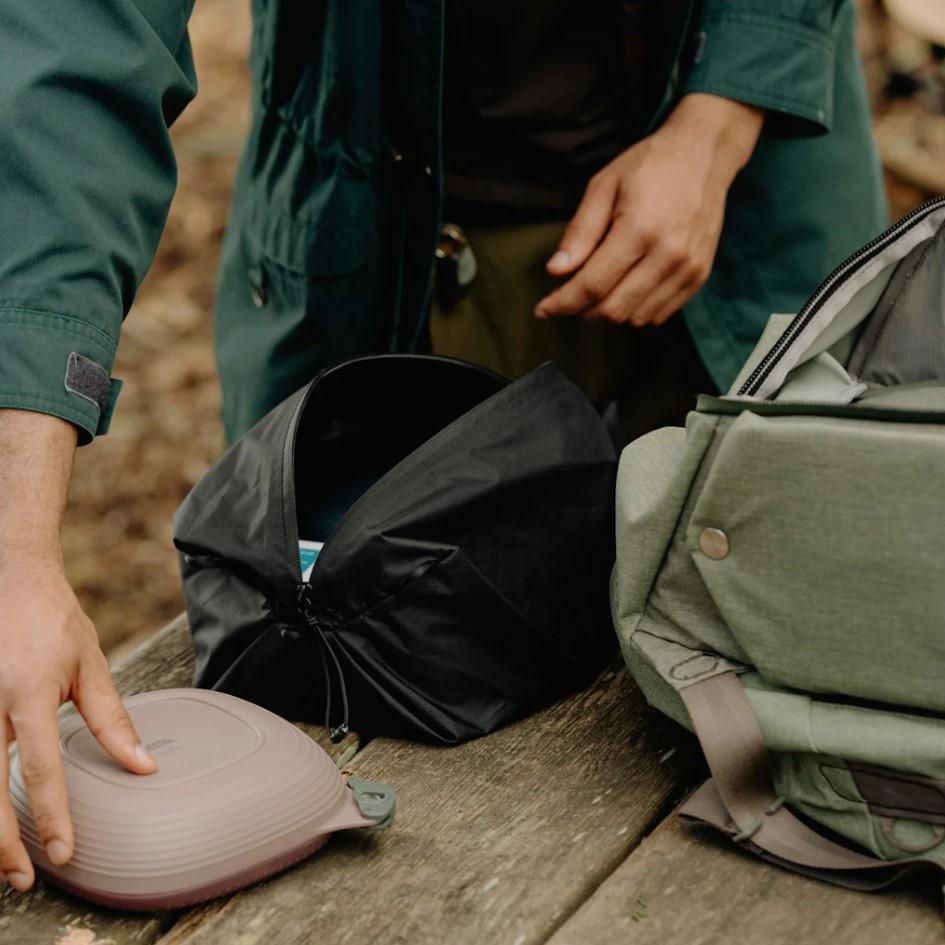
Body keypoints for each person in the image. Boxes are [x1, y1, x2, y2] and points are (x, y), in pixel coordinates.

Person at [0, 0, 885, 891]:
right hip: (372, 269)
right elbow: (77, 54)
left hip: (743, 236)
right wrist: (14, 546)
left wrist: (721, 116)